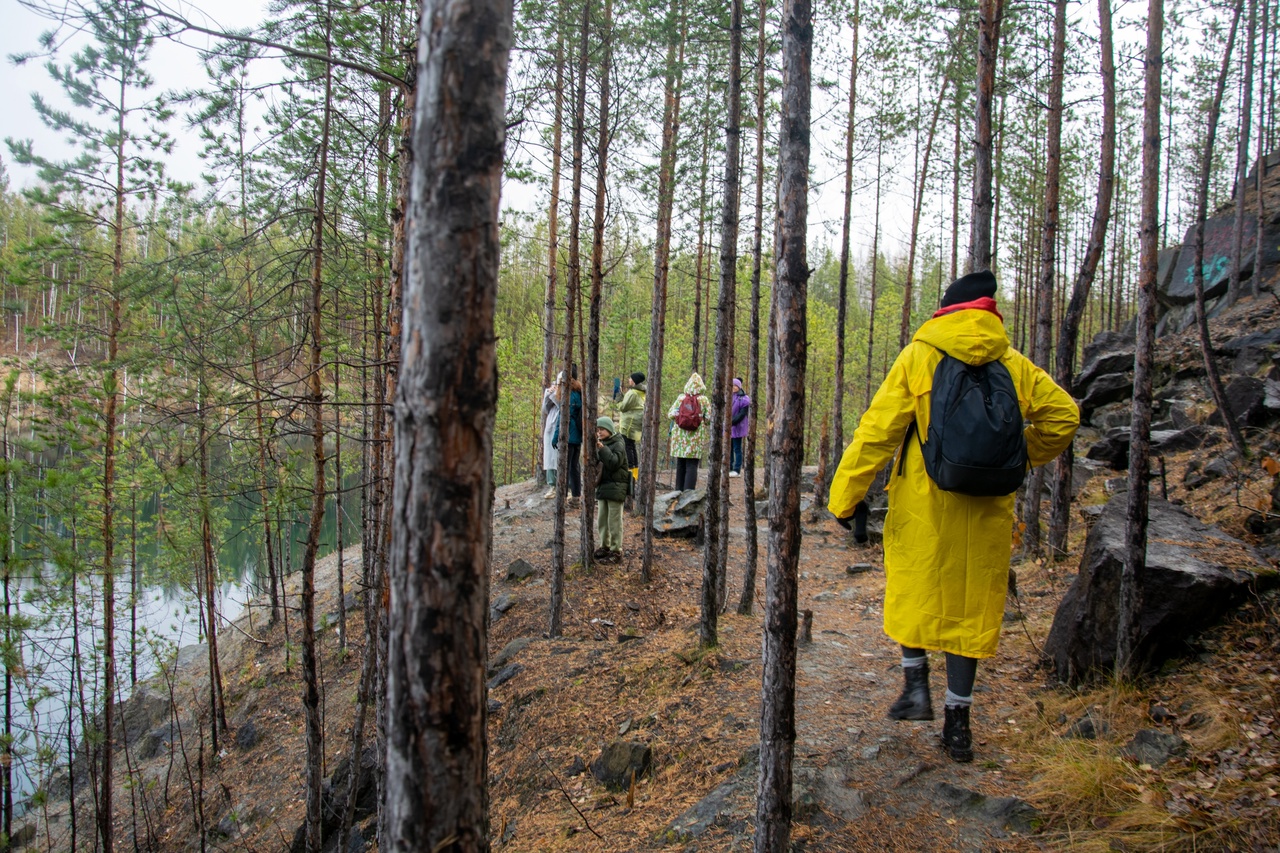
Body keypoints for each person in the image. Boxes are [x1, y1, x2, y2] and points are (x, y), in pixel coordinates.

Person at [827, 270, 1078, 763]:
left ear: (945, 311)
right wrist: (1017, 455)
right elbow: (1064, 415)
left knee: (914, 588)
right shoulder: (1011, 361)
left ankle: (915, 687)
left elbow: (876, 432)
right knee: (970, 609)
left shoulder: (921, 354)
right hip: (986, 510)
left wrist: (844, 497)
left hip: (924, 501)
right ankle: (958, 724)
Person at [593, 416, 630, 563]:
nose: (599, 432)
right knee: (602, 519)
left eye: (602, 429)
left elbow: (614, 463)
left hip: (616, 488)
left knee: (614, 521)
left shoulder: (618, 443)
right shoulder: (603, 443)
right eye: (597, 430)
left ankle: (616, 551)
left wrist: (602, 449)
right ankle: (605, 546)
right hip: (603, 487)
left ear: (609, 429)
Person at [667, 372, 710, 491]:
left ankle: (678, 491)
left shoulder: (681, 398)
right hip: (695, 437)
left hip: (679, 437)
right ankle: (689, 493)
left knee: (680, 463)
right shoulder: (704, 400)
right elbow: (709, 419)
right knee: (692, 465)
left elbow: (670, 414)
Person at [552, 365, 584, 507]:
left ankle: (562, 498)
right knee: (574, 466)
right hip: (577, 436)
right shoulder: (579, 392)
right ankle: (576, 497)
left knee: (564, 467)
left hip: (568, 437)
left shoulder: (568, 394)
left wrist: (556, 436)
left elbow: (563, 418)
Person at [616, 371, 646, 483]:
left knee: (627, 448)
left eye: (630, 378)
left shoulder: (633, 393)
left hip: (629, 425)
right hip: (635, 425)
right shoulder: (641, 392)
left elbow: (623, 407)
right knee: (632, 447)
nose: (629, 380)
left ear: (633, 381)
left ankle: (630, 475)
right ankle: (635, 474)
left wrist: (618, 398)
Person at [541, 373, 563, 499]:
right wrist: (547, 394)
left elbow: (562, 405)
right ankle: (552, 485)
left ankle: (568, 488)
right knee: (550, 456)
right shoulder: (554, 388)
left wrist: (554, 395)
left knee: (560, 457)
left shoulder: (571, 391)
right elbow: (545, 410)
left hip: (561, 426)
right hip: (550, 426)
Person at [729, 377, 751, 477]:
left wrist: (731, 422)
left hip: (738, 427)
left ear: (739, 386)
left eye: (735, 386)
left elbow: (742, 414)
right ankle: (728, 467)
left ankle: (736, 469)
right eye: (732, 385)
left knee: (737, 448)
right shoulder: (728, 396)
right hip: (729, 427)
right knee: (729, 448)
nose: (733, 387)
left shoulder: (744, 399)